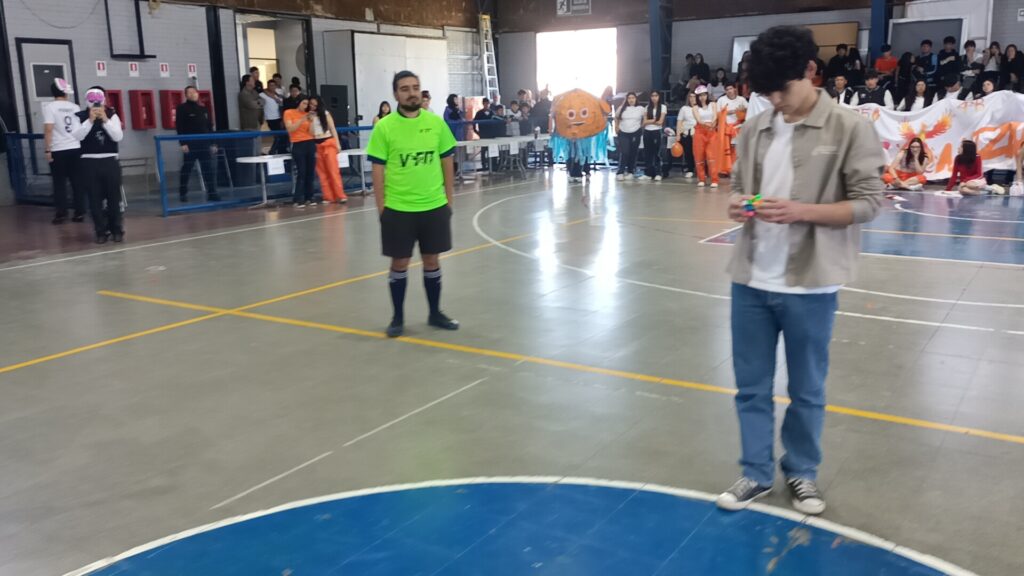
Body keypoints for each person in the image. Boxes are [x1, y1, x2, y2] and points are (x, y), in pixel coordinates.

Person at [718, 25, 883, 516]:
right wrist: (739, 205)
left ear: (811, 71)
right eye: (766, 92)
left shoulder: (849, 128)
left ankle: (802, 472)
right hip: (751, 279)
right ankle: (755, 473)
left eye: (782, 90)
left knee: (807, 389)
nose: (776, 101)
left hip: (811, 283)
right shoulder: (756, 128)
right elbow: (739, 189)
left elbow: (869, 203)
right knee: (751, 388)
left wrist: (801, 212)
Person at [366, 70, 459, 338]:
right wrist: (382, 208)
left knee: (432, 260)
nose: (412, 93)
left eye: (415, 87)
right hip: (399, 208)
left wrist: (448, 201)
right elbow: (377, 170)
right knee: (400, 262)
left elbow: (447, 162)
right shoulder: (384, 127)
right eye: (405, 88)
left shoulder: (436, 123)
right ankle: (397, 318)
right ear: (396, 94)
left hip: (433, 206)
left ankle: (435, 313)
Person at [72, 86, 126, 244]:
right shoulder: (80, 116)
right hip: (89, 161)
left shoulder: (112, 115)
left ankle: (117, 229)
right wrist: (89, 121)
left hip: (109, 160)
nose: (95, 103)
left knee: (113, 198)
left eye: (98, 99)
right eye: (92, 99)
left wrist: (105, 120)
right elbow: (77, 135)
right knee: (94, 199)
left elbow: (118, 136)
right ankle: (100, 231)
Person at [43, 78, 84, 225]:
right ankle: (79, 212)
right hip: (75, 147)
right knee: (77, 181)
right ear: (65, 92)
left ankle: (61, 213)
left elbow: (48, 129)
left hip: (58, 149)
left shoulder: (50, 107)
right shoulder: (75, 107)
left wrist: (47, 149)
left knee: (59, 182)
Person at [176, 85, 220, 203]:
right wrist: (183, 143)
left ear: (197, 93)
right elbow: (179, 126)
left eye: (194, 92)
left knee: (208, 168)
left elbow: (209, 127)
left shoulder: (203, 109)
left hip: (204, 143)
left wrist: (213, 143)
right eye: (189, 92)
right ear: (186, 95)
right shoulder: (182, 108)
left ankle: (212, 193)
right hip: (190, 144)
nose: (192, 94)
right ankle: (183, 192)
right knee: (187, 168)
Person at [308, 96, 348, 205]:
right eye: (311, 104)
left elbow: (332, 128)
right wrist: (311, 120)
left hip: (328, 142)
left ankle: (340, 195)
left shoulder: (325, 114)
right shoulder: (309, 116)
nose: (313, 106)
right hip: (316, 144)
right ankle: (328, 196)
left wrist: (337, 144)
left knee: (333, 170)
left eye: (315, 104)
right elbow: (310, 133)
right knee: (322, 173)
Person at [283, 94, 317, 207]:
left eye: (307, 104)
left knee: (310, 171)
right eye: (304, 103)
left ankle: (309, 196)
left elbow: (312, 132)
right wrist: (302, 119)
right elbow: (290, 129)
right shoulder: (289, 113)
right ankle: (298, 198)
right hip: (297, 143)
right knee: (301, 171)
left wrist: (312, 121)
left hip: (310, 142)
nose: (305, 106)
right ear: (298, 103)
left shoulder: (308, 114)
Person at [692, 85, 719, 188]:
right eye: (700, 95)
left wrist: (712, 123)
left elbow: (715, 116)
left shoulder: (713, 104)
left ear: (707, 95)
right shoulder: (695, 108)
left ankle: (714, 179)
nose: (702, 97)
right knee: (699, 156)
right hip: (700, 132)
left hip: (711, 132)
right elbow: (699, 120)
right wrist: (706, 124)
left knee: (712, 156)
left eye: (704, 95)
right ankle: (701, 179)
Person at [613, 92, 644, 180]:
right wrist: (616, 127)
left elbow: (645, 118)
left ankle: (631, 171)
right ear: (627, 99)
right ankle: (620, 172)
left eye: (633, 98)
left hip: (635, 132)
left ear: (636, 99)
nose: (631, 100)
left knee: (633, 152)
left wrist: (641, 126)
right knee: (624, 152)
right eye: (629, 98)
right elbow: (616, 117)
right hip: (623, 132)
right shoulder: (622, 108)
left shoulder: (640, 109)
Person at [717, 83, 748, 170]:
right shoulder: (721, 100)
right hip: (725, 128)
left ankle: (736, 169)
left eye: (730, 89)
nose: (729, 91)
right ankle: (727, 169)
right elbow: (718, 113)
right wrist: (728, 112)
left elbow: (748, 109)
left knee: (736, 149)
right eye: (727, 89)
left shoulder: (741, 99)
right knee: (727, 150)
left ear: (735, 89)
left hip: (738, 127)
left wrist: (742, 110)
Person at [639, 90, 666, 181]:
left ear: (659, 97)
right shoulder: (647, 107)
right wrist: (653, 120)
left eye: (656, 96)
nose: (654, 98)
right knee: (647, 153)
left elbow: (660, 122)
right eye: (652, 96)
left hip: (656, 131)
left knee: (657, 153)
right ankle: (648, 173)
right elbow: (644, 123)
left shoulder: (663, 107)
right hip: (647, 132)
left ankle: (658, 173)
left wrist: (649, 121)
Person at [674, 91, 697, 178]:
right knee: (688, 152)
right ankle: (690, 169)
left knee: (698, 153)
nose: (692, 99)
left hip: (697, 133)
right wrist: (678, 134)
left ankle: (700, 169)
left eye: (694, 97)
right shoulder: (684, 108)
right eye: (690, 97)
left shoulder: (699, 108)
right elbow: (679, 121)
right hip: (686, 132)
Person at [261, 79, 288, 154]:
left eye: (273, 85)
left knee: (282, 135)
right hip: (270, 118)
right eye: (270, 85)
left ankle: (281, 151)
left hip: (279, 117)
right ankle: (272, 151)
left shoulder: (278, 95)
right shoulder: (263, 95)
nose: (272, 87)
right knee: (277, 136)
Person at [473, 97, 500, 171]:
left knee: (493, 148)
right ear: (483, 104)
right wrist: (476, 132)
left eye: (487, 103)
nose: (486, 105)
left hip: (491, 134)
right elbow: (474, 122)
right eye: (485, 103)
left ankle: (494, 163)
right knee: (484, 149)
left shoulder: (492, 113)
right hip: (483, 134)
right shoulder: (479, 113)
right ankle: (484, 164)